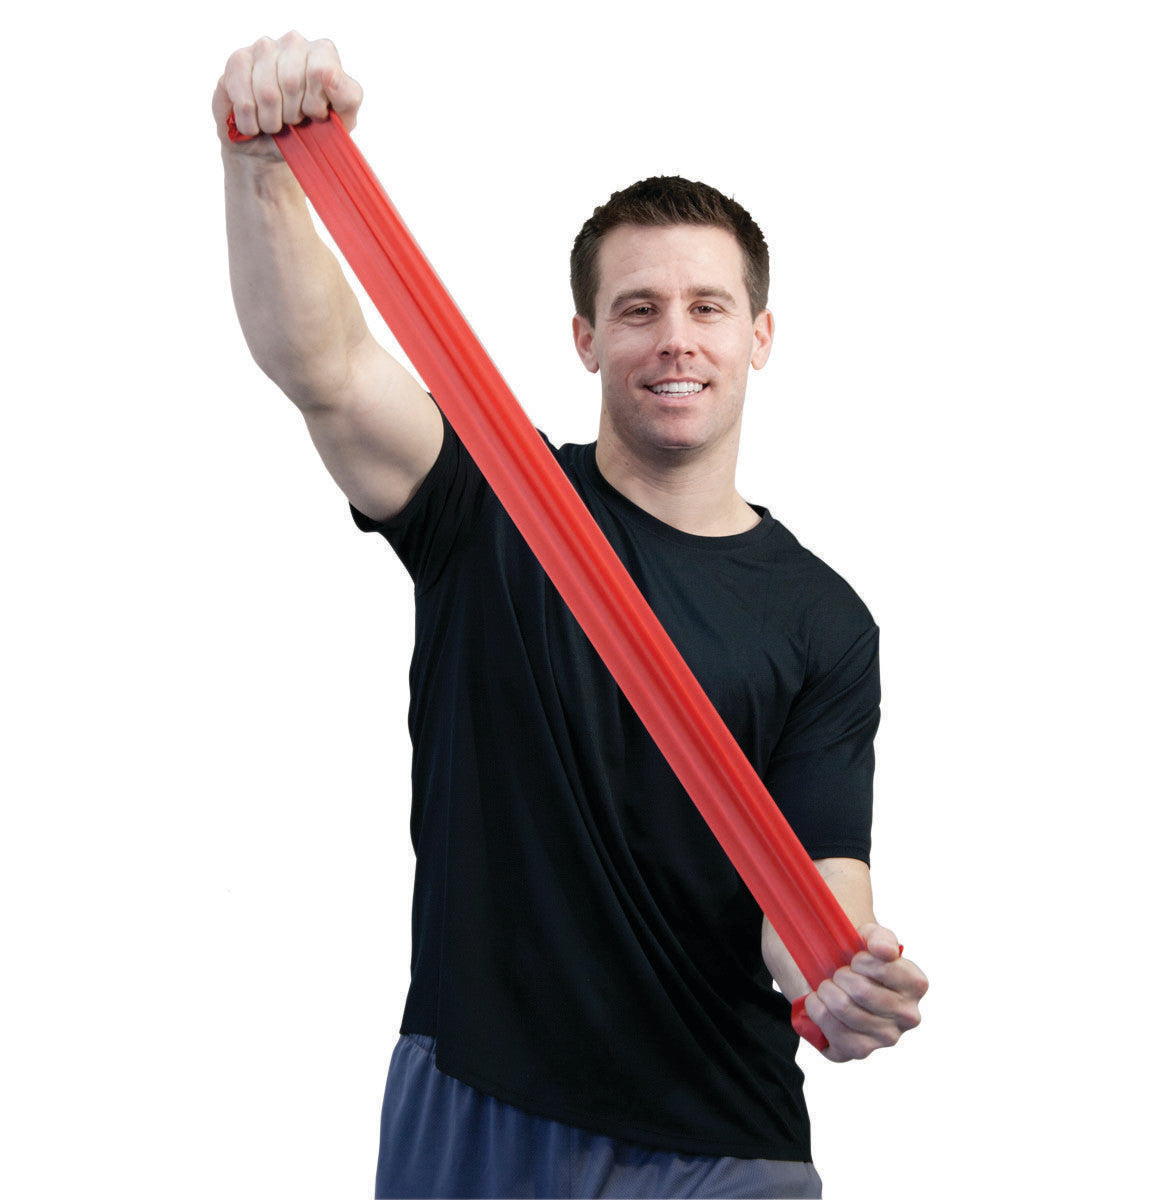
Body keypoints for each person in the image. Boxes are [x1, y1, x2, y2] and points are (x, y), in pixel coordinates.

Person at [215, 31, 928, 1200]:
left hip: (721, 1135)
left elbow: (815, 877)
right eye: (637, 309)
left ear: (760, 336)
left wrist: (834, 972)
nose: (675, 338)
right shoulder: (487, 503)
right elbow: (328, 367)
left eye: (709, 306)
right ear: (587, 340)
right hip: (480, 1103)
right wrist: (262, 164)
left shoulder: (824, 619)